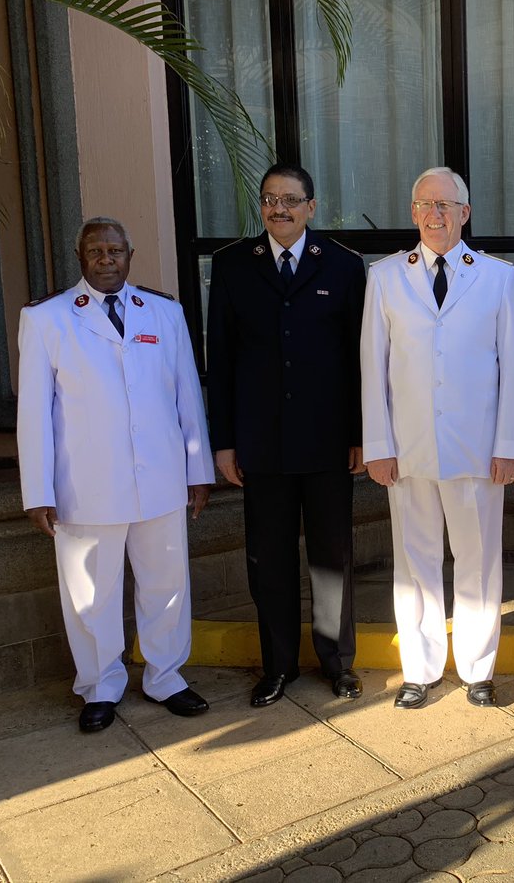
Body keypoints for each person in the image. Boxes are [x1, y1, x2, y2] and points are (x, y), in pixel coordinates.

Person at [16, 217, 214, 732]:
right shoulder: (47, 319)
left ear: (131, 255)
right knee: (91, 594)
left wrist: (198, 471)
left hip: (162, 480)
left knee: (166, 585)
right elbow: (34, 414)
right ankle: (100, 686)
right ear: (80, 257)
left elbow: (187, 396)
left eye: (116, 251)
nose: (107, 260)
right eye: (96, 251)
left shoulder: (165, 313)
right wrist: (37, 490)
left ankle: (165, 676)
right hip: (87, 486)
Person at [361, 166, 514, 710]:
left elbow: (511, 364)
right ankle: (421, 669)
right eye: (426, 205)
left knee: (478, 561)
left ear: (465, 213)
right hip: (407, 451)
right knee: (415, 563)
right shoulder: (385, 277)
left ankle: (478, 669)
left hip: (478, 448)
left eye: (446, 206)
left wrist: (509, 445)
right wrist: (378, 446)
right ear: (413, 213)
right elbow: (373, 368)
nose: (435, 215)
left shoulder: (498, 277)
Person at [206, 163, 367, 708]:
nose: (280, 208)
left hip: (327, 444)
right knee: (268, 561)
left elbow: (358, 360)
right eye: (270, 199)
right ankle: (277, 667)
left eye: (291, 200)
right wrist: (224, 442)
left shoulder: (343, 266)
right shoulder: (231, 266)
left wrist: (361, 435)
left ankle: (336, 663)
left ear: (311, 207)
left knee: (331, 559)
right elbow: (221, 361)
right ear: (261, 206)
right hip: (262, 446)